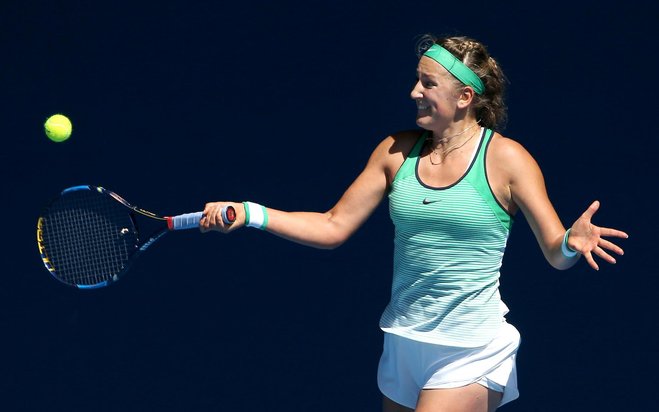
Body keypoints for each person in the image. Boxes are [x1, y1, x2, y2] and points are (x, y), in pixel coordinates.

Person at [199, 34, 628, 412]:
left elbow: (556, 252)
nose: (413, 92)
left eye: (428, 83)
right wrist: (251, 213)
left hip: (471, 348)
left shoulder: (507, 159)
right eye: (416, 80)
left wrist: (571, 241)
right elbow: (333, 225)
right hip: (403, 340)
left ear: (465, 97)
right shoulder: (396, 151)